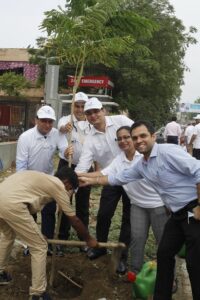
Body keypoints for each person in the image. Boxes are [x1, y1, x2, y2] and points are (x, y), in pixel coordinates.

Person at [79, 120, 200, 300]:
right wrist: (88, 180)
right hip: (177, 214)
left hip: (193, 209)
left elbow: (198, 170)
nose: (138, 140)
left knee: (194, 262)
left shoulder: (168, 152)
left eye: (142, 136)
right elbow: (116, 177)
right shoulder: (142, 165)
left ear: (153, 136)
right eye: (135, 138)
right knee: (164, 253)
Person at [80, 126, 169, 276]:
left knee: (164, 243)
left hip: (157, 205)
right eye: (119, 138)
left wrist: (169, 202)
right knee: (136, 240)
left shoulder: (144, 157)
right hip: (137, 206)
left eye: (127, 137)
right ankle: (135, 273)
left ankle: (169, 276)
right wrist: (78, 175)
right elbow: (103, 173)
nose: (123, 141)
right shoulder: (119, 159)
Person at [0, 167, 97, 300]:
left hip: (3, 197)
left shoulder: (43, 178)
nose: (68, 192)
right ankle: (38, 293)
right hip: (12, 203)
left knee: (8, 235)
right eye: (70, 189)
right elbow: (74, 220)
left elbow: (25, 204)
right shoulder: (58, 186)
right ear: (67, 183)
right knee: (39, 246)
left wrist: (35, 233)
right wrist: (89, 239)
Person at [75, 97, 133, 274]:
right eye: (89, 113)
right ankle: (100, 247)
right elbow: (83, 165)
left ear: (103, 111)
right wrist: (71, 179)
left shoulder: (121, 122)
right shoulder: (90, 139)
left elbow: (138, 132)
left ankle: (122, 256)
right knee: (103, 214)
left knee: (128, 218)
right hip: (110, 178)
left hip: (132, 176)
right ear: (86, 116)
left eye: (96, 111)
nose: (93, 116)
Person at [16, 105, 69, 255]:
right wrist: (23, 185)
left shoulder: (56, 134)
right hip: (29, 180)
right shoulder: (25, 137)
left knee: (49, 212)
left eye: (50, 121)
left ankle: (48, 243)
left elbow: (64, 152)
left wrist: (67, 151)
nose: (47, 125)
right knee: (30, 213)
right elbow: (21, 164)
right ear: (36, 120)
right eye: (44, 121)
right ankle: (30, 245)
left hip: (48, 179)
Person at [57, 92, 92, 251]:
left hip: (85, 167)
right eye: (76, 106)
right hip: (67, 166)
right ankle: (62, 238)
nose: (79, 109)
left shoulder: (91, 122)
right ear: (72, 106)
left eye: (82, 106)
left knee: (83, 204)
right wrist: (66, 128)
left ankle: (83, 241)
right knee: (64, 201)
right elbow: (61, 130)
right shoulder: (66, 120)